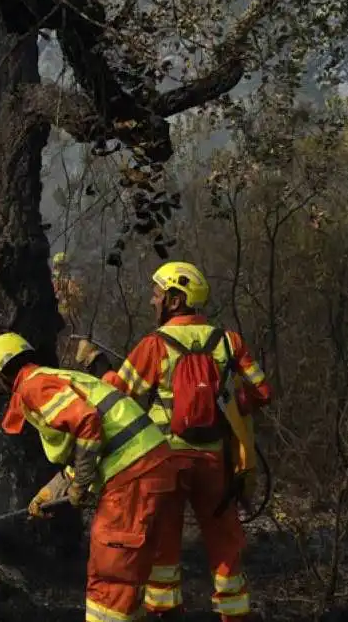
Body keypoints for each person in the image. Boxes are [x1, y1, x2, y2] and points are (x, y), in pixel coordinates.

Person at [83, 261, 273, 621]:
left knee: (163, 546)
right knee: (225, 542)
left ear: (174, 299)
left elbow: (117, 396)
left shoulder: (154, 345)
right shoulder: (228, 341)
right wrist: (230, 404)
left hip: (166, 464)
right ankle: (234, 614)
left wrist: (97, 364)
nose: (152, 301)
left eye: (157, 295)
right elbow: (262, 391)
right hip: (216, 462)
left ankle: (164, 614)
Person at [0, 331, 183, 622]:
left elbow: (87, 424)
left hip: (132, 475)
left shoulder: (33, 387)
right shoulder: (55, 377)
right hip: (154, 464)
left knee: (110, 576)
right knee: (143, 570)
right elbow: (92, 441)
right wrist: (51, 491)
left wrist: (80, 484)